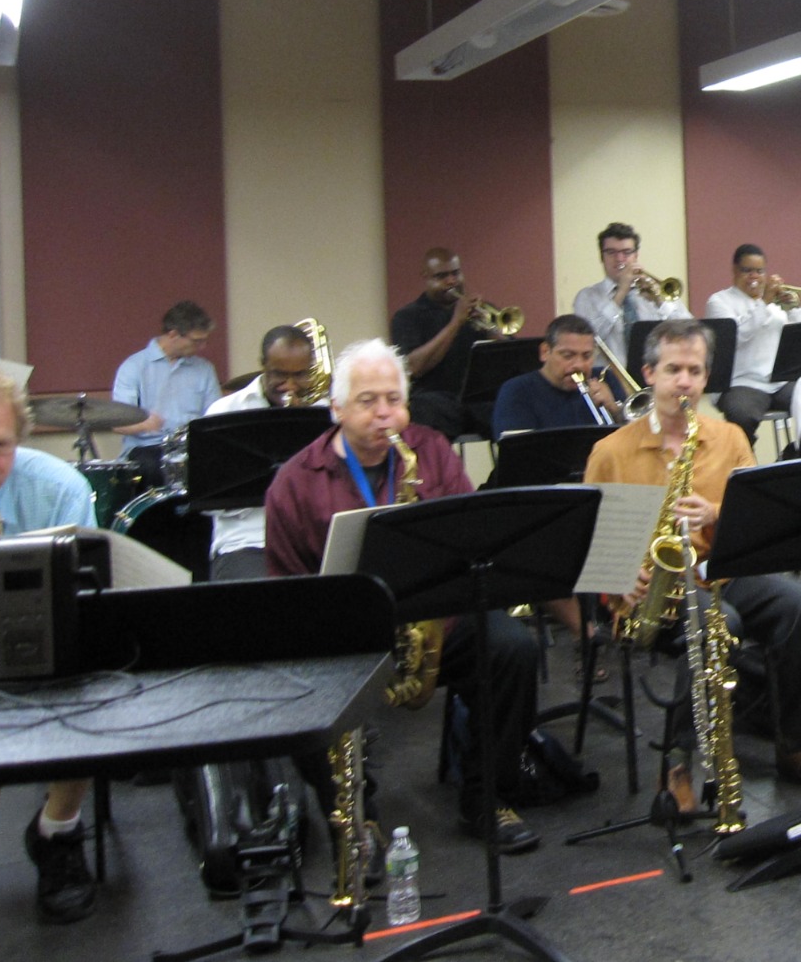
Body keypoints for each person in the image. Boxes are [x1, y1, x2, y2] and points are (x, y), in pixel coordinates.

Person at [265, 338, 544, 854]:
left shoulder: (430, 450)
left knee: (512, 649)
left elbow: (473, 535)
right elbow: (286, 587)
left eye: (393, 399)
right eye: (367, 401)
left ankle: (488, 797)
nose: (383, 413)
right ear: (337, 409)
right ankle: (354, 817)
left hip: (434, 618)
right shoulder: (295, 482)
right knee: (303, 687)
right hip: (348, 633)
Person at [584, 319, 801, 793]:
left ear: (706, 377)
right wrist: (618, 578)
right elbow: (590, 539)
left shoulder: (729, 437)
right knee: (718, 622)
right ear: (649, 374)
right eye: (673, 370)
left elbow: (760, 516)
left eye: (694, 371)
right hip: (652, 591)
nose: (684, 382)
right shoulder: (611, 451)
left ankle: (795, 744)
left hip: (722, 571)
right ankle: (678, 763)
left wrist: (715, 512)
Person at [0, 359, 102, 924]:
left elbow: (90, 601)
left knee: (100, 682)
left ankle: (57, 829)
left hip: (48, 648)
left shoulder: (60, 489)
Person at [203, 324, 320, 581]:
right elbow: (211, 503)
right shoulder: (225, 413)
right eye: (280, 375)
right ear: (263, 365)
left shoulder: (324, 413)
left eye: (300, 375)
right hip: (249, 542)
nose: (290, 385)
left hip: (312, 540)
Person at [704, 244, 801, 441]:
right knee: (741, 414)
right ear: (734, 271)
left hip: (779, 382)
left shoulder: (776, 304)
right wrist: (764, 302)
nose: (754, 277)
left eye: (760, 271)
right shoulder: (719, 302)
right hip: (741, 383)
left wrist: (794, 309)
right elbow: (737, 335)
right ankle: (745, 459)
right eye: (747, 271)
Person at [112, 300, 220, 485]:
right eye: (196, 341)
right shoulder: (134, 367)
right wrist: (144, 424)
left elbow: (215, 416)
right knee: (154, 468)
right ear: (173, 334)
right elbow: (117, 423)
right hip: (148, 447)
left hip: (191, 447)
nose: (202, 347)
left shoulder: (205, 369)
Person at [389, 247, 483, 441]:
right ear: (425, 277)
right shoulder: (407, 317)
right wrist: (456, 322)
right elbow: (413, 367)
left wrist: (491, 329)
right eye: (441, 276)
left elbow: (508, 354)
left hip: (474, 401)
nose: (451, 281)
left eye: (455, 273)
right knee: (426, 408)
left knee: (514, 400)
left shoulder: (476, 312)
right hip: (434, 402)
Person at [571, 222, 692, 367]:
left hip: (654, 377)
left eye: (626, 252)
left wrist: (660, 302)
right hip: (609, 378)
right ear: (601, 257)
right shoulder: (587, 297)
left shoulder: (655, 291)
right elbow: (587, 340)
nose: (619, 259)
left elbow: (691, 332)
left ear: (636, 256)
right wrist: (621, 292)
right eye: (611, 252)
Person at [492, 314, 616, 433]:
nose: (579, 365)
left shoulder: (605, 379)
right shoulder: (517, 391)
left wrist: (615, 411)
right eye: (568, 356)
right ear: (545, 352)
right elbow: (517, 445)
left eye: (587, 356)